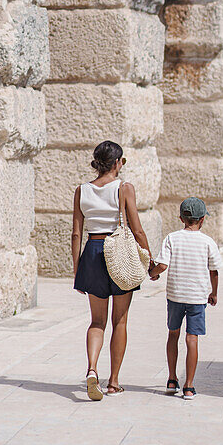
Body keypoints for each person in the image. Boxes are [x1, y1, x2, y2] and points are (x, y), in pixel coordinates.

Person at [72, 140, 154, 399]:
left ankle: (92, 369)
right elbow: (137, 228)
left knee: (97, 321)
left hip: (92, 252)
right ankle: (114, 382)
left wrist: (77, 269)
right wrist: (149, 261)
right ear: (118, 163)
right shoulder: (124, 188)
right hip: (118, 252)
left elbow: (76, 233)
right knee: (120, 320)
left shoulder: (81, 190)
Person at [149, 196, 221, 400]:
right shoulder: (208, 242)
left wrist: (153, 273)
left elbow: (162, 265)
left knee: (173, 334)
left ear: (181, 218)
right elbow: (214, 270)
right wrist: (213, 292)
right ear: (203, 219)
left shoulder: (172, 238)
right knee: (192, 338)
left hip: (175, 295)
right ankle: (189, 386)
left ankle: (172, 379)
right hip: (197, 297)